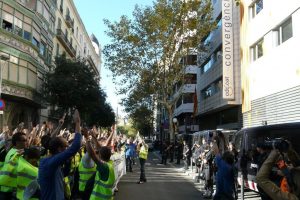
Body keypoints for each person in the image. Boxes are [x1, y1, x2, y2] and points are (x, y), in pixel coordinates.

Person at [38, 109, 82, 200]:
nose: (67, 149)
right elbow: (76, 146)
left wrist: (68, 161)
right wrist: (77, 123)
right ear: (59, 148)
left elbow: (64, 174)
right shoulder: (50, 162)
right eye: (65, 147)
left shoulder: (53, 162)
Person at [83, 130, 115, 200]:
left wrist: (87, 138)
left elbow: (92, 154)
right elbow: (100, 148)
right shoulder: (110, 163)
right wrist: (94, 137)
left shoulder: (104, 167)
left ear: (99, 155)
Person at [0, 131, 27, 199]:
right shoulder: (17, 154)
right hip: (9, 190)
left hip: (6, 187)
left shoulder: (11, 151)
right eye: (24, 140)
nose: (26, 142)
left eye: (26, 140)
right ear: (17, 142)